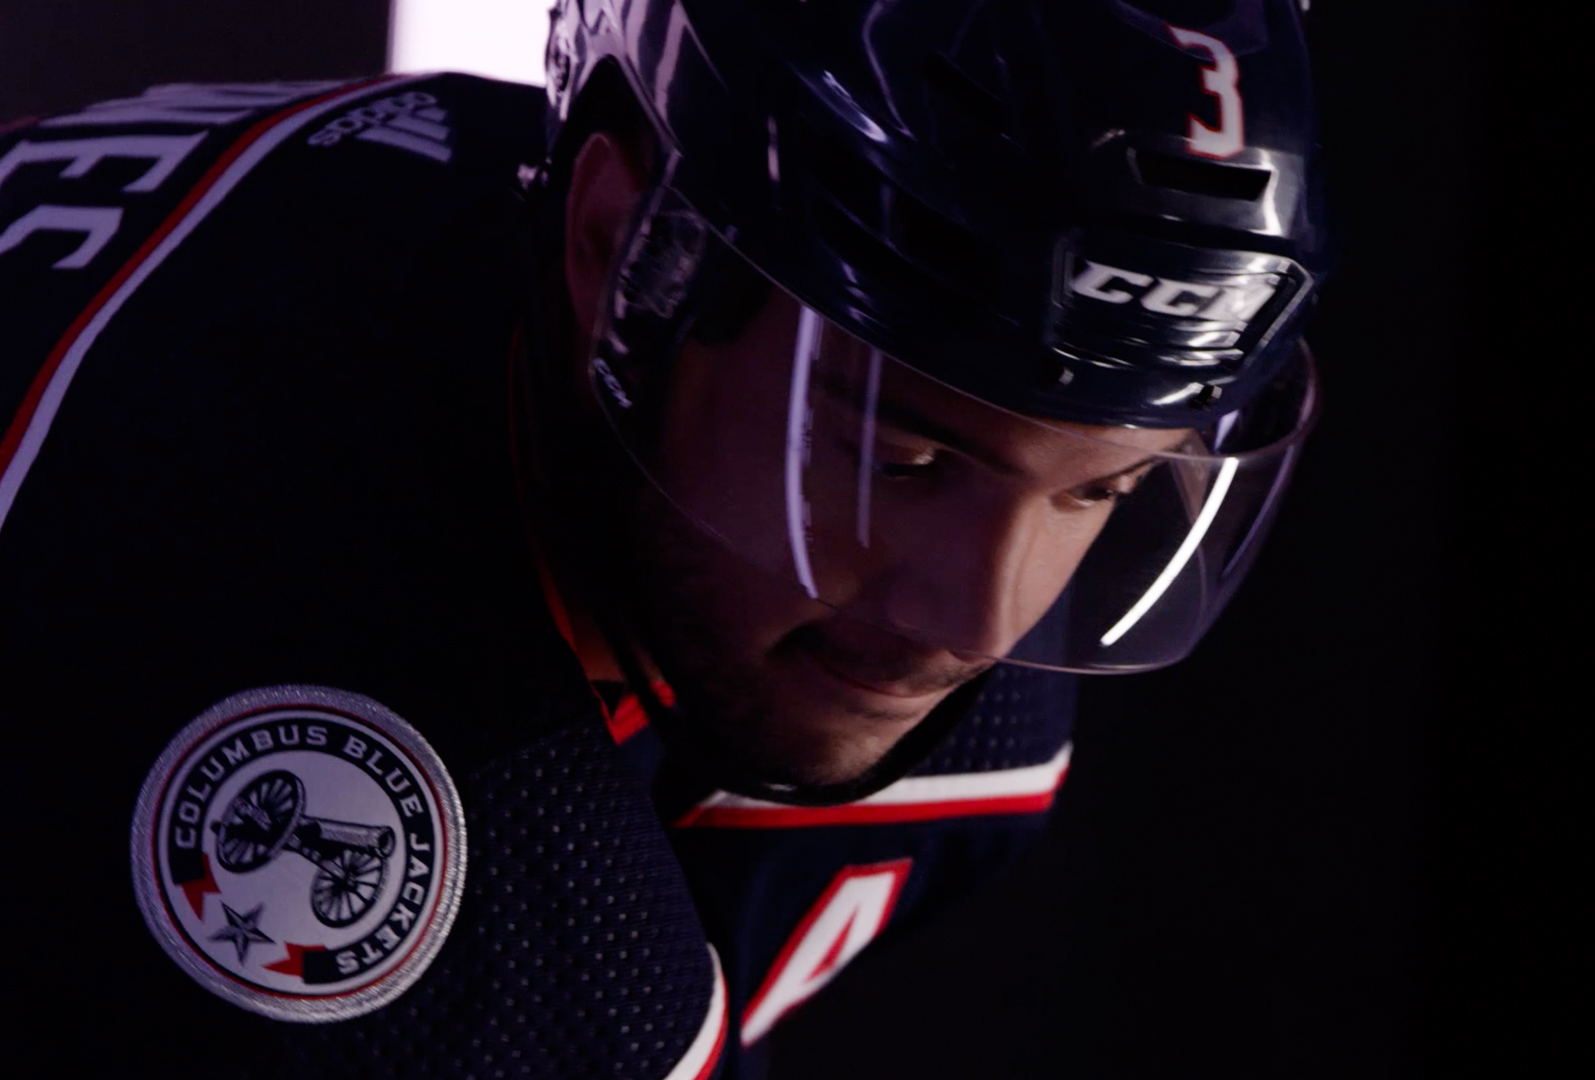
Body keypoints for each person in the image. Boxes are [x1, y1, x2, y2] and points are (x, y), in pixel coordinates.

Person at [0, 1, 1324, 1076]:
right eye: (901, 459)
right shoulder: (297, 662)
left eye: (1094, 490)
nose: (976, 621)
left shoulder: (475, 209)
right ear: (617, 252)